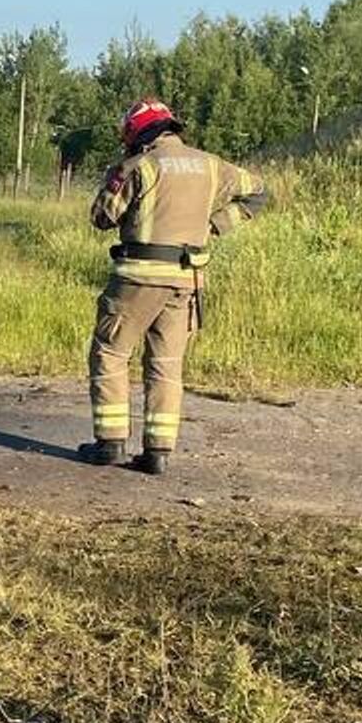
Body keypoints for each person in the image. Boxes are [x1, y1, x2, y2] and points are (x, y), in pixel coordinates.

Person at [83, 99, 268, 474]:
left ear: (135, 133)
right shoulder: (212, 165)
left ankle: (110, 443)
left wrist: (113, 179)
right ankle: (158, 453)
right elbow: (259, 192)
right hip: (187, 279)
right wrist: (216, 224)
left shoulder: (137, 167)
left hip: (137, 278)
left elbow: (102, 217)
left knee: (110, 353)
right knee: (166, 365)